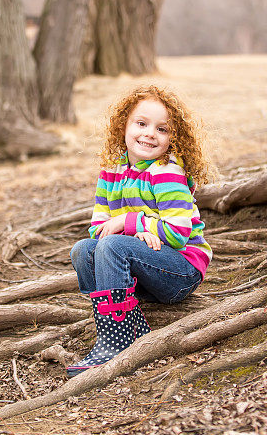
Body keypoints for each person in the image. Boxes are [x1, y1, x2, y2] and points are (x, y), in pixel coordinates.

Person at [66, 85, 212, 377]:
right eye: (141, 124)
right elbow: (99, 228)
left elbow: (179, 233)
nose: (149, 134)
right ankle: (127, 320)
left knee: (112, 247)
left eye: (162, 129)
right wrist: (135, 235)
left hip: (180, 270)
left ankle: (116, 343)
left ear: (173, 139)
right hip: (143, 266)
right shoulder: (111, 171)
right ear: (124, 125)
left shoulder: (166, 172)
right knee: (83, 250)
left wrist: (130, 223)